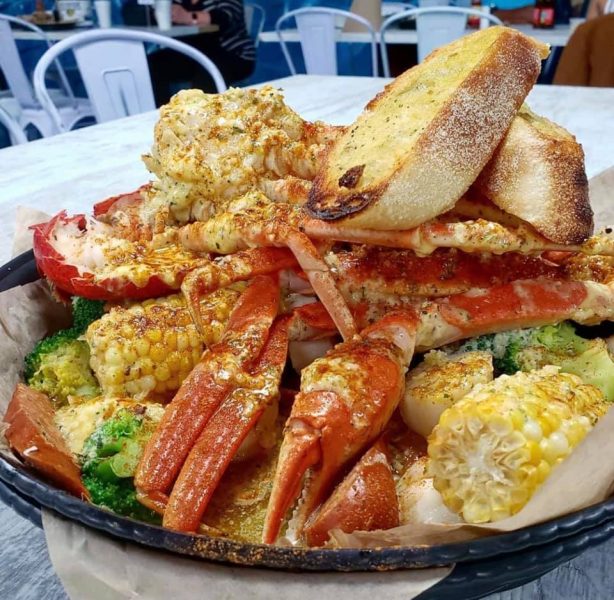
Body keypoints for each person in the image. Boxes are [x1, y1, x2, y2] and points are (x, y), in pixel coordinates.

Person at [146, 0, 256, 105]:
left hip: (232, 54)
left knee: (208, 72)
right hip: (193, 54)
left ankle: (204, 120)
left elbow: (224, 17)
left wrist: (188, 17)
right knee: (150, 65)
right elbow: (160, 14)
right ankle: (163, 115)